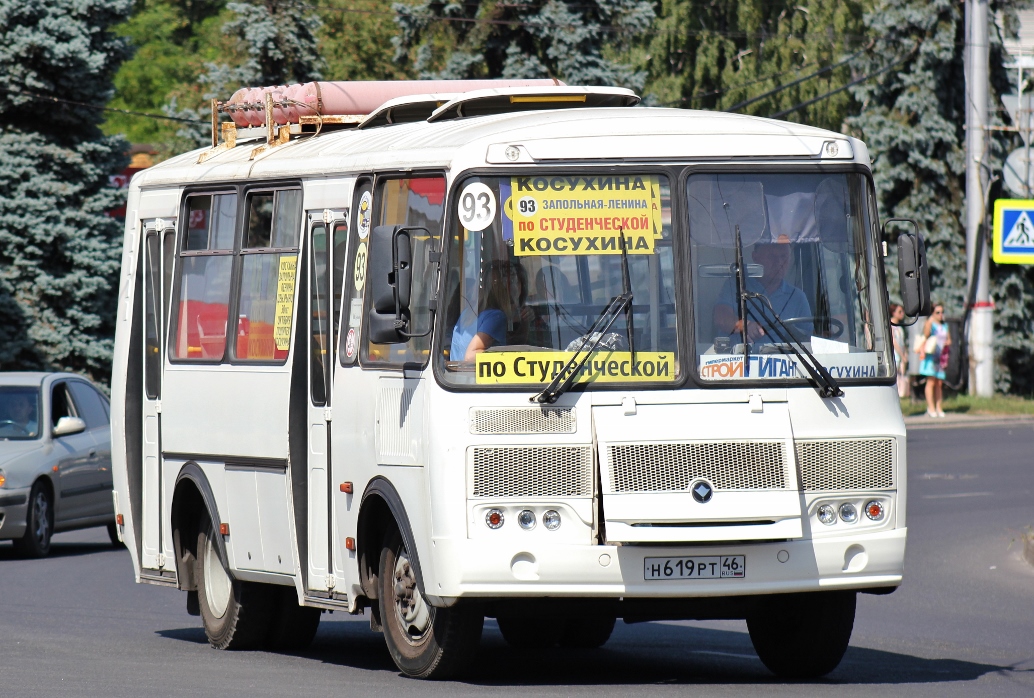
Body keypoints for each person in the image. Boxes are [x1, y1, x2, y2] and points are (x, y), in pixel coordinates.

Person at [713, 240, 813, 344]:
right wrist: (744, 325)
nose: (778, 262)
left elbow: (808, 339)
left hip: (784, 358)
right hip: (742, 357)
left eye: (783, 257)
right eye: (771, 256)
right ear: (755, 257)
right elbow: (721, 318)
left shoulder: (797, 297)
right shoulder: (736, 286)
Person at [451, 260, 530, 361]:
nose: (517, 287)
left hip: (458, 375)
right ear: (504, 288)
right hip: (475, 376)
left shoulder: (469, 312)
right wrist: (508, 354)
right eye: (514, 281)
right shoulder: (496, 317)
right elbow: (470, 356)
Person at [918, 303, 950, 417]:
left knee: (939, 383)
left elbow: (949, 339)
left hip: (941, 357)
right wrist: (930, 322)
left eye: (942, 312)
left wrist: (947, 343)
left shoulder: (944, 326)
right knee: (931, 382)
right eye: (937, 312)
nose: (940, 315)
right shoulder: (930, 323)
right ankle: (931, 407)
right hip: (931, 356)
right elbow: (925, 336)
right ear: (932, 313)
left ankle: (938, 407)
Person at [889, 303, 909, 398]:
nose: (902, 313)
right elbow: (894, 342)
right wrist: (902, 355)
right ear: (893, 313)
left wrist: (905, 354)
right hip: (895, 356)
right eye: (899, 311)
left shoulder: (900, 327)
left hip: (901, 356)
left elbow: (902, 343)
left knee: (900, 378)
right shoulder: (891, 326)